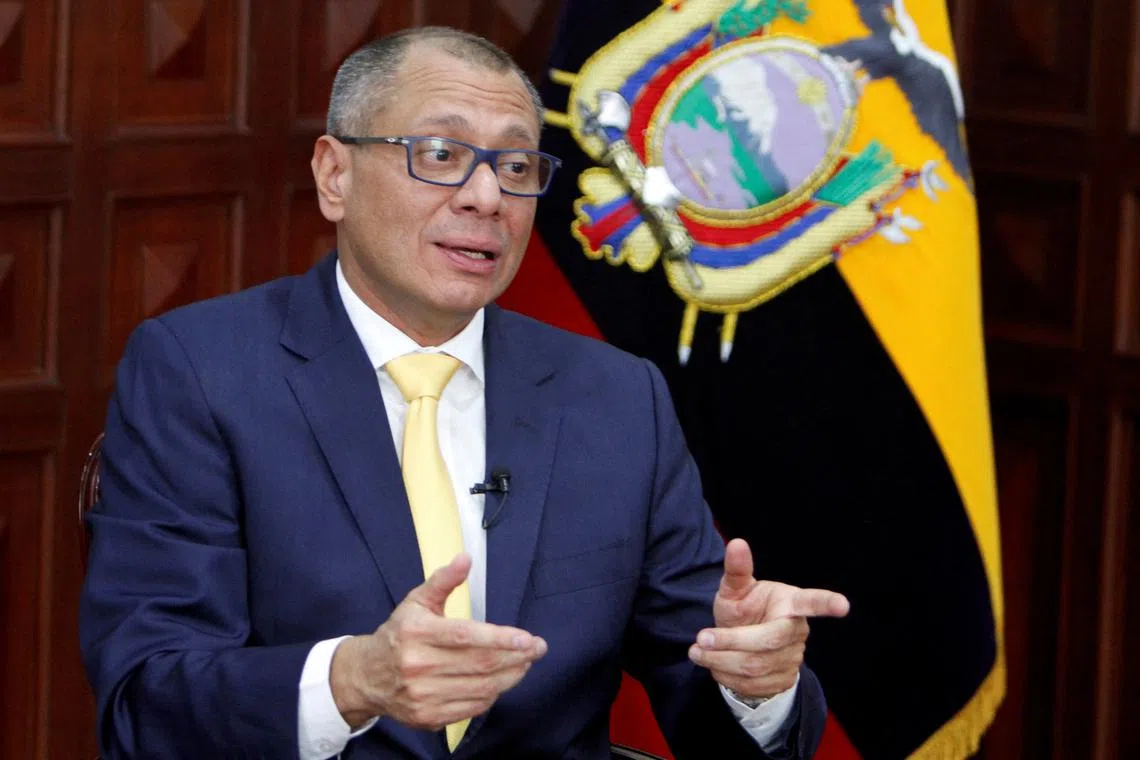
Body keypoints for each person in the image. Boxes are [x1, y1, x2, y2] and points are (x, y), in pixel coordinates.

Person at [79, 27, 849, 760]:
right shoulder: (200, 371)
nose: (486, 197)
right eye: (440, 154)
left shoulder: (616, 398)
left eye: (516, 168)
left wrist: (759, 684)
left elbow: (707, 704)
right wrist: (352, 683)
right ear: (334, 175)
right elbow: (147, 704)